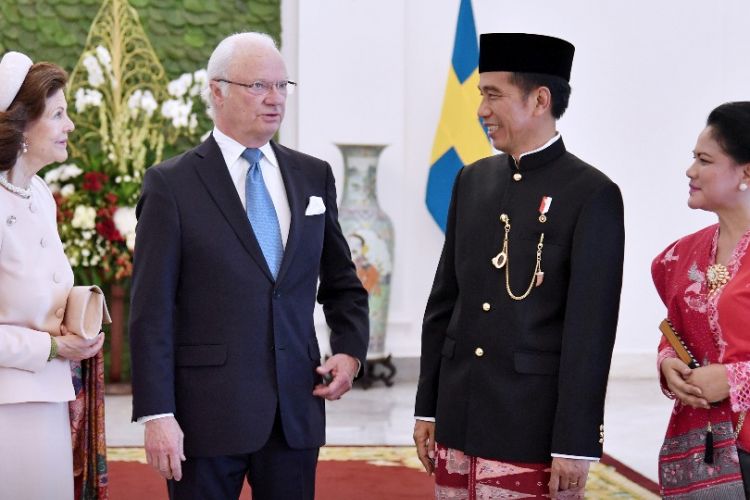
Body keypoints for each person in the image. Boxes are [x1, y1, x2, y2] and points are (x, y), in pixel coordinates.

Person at [129, 32, 369, 499]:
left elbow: (342, 282)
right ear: (216, 91)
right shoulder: (170, 185)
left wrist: (350, 351)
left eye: (283, 86)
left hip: (295, 413)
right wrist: (157, 414)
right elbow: (151, 310)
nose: (275, 99)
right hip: (205, 419)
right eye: (259, 86)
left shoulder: (312, 175)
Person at [413, 33, 625, 499]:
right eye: (480, 95)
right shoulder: (472, 179)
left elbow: (590, 332)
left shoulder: (591, 194)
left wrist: (576, 441)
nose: (481, 110)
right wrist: (427, 408)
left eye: (493, 95)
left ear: (540, 100)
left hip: (531, 426)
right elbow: (444, 302)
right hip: (458, 415)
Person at [0, 51, 105, 499]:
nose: (70, 126)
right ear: (23, 126)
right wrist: (52, 346)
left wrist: (80, 320)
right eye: (59, 114)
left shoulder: (40, 194)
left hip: (48, 399)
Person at [654, 102, 750, 498]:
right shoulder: (678, 256)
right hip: (705, 451)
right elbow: (674, 330)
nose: (690, 170)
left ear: (746, 173)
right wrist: (667, 362)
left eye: (704, 159)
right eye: (694, 157)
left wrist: (734, 379)